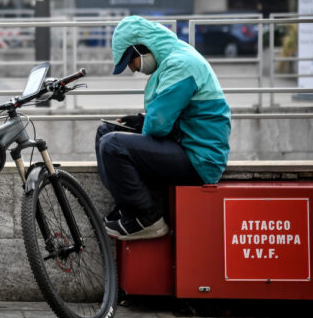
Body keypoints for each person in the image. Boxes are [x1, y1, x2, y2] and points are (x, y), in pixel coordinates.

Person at [96, 15, 231, 240]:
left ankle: (147, 218)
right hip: (184, 143)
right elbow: (168, 115)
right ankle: (127, 208)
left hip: (199, 159)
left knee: (113, 144)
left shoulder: (181, 64)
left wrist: (143, 124)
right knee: (106, 132)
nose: (133, 69)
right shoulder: (172, 60)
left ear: (142, 48)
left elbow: (157, 126)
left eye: (131, 61)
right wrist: (140, 121)